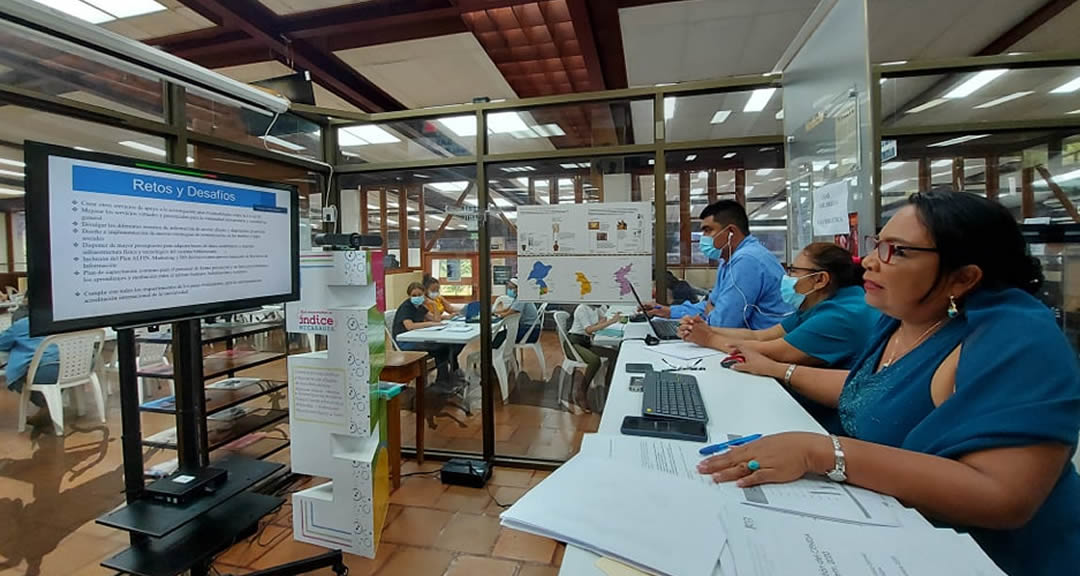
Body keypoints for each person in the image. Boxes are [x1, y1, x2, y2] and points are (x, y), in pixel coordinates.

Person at [697, 191, 1080, 576]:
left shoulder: (1016, 338)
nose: (869, 263)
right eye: (877, 244)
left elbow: (1004, 498)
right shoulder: (903, 317)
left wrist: (821, 452)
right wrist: (780, 372)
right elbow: (874, 390)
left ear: (964, 277)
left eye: (897, 251)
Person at [680, 242, 879, 369]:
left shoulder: (840, 316)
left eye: (794, 271)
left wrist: (708, 338)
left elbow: (769, 351)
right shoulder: (820, 302)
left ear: (820, 279)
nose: (787, 277)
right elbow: (760, 335)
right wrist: (704, 329)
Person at [644, 200, 790, 329]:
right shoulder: (727, 260)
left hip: (763, 347)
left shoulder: (746, 260)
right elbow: (711, 305)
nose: (703, 238)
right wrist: (668, 311)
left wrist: (712, 309)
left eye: (708, 230)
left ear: (731, 232)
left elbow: (724, 324)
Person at [1, 301, 59, 428]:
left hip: (46, 369)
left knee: (19, 376)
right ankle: (49, 408)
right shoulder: (57, 319)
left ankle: (46, 407)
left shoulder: (21, 324)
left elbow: (2, 343)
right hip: (73, 366)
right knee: (53, 382)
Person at [391, 282, 453, 383]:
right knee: (441, 348)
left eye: (419, 295)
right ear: (409, 296)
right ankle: (443, 381)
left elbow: (436, 320)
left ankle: (445, 379)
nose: (417, 297)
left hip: (417, 338)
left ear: (424, 294)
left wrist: (433, 304)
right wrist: (430, 324)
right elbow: (409, 326)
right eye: (414, 295)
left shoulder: (420, 306)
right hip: (405, 342)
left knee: (444, 346)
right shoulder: (406, 307)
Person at [564, 304, 621, 410]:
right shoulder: (582, 308)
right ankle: (581, 392)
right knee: (595, 361)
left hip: (586, 343)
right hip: (574, 343)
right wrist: (611, 321)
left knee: (615, 355)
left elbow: (599, 322)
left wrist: (604, 321)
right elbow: (588, 330)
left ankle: (608, 387)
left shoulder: (595, 308)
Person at [495, 277, 540, 344]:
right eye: (508, 288)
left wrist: (497, 316)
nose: (508, 290)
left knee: (497, 338)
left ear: (518, 289)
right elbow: (507, 309)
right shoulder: (519, 298)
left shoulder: (521, 299)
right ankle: (506, 354)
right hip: (529, 329)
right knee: (499, 336)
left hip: (530, 332)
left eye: (511, 288)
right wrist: (493, 312)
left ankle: (498, 353)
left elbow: (509, 313)